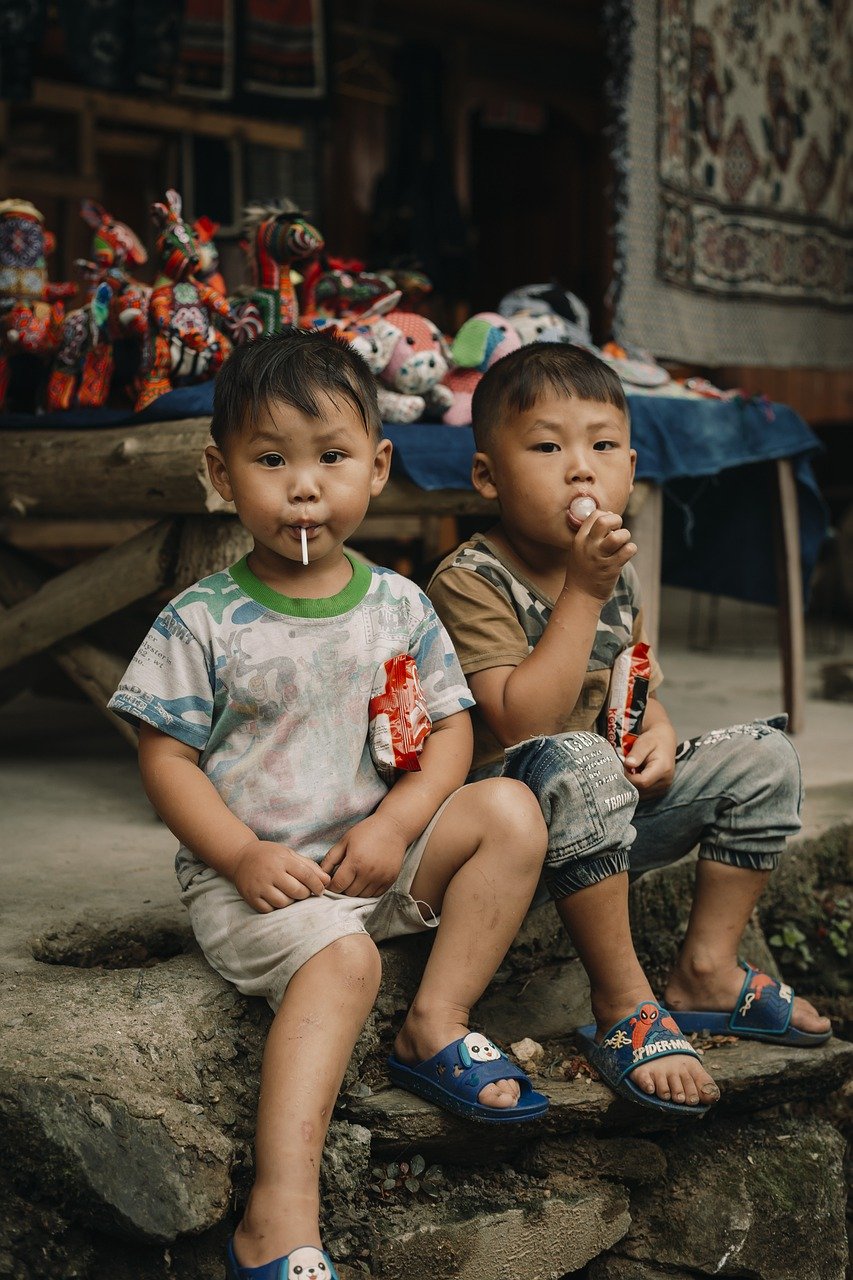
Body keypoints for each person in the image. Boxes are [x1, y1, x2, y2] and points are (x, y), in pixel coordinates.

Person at [108, 329, 549, 1280]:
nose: (302, 486)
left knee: (510, 812)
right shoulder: (202, 619)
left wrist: (397, 822)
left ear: (377, 468)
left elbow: (450, 734)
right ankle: (277, 1218)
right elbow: (166, 757)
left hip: (372, 861)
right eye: (270, 460)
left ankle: (436, 1018)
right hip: (261, 890)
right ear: (219, 474)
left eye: (331, 457)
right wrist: (239, 857)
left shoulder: (398, 604)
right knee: (344, 957)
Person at [427, 342, 831, 1118]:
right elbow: (522, 724)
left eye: (602, 447)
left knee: (765, 756)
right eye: (547, 447)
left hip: (609, 816)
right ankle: (620, 1001)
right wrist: (583, 590)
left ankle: (707, 971)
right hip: (512, 841)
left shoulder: (618, 577)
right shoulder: (469, 580)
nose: (581, 469)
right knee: (574, 757)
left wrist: (656, 735)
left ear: (632, 467)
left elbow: (634, 684)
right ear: (487, 476)